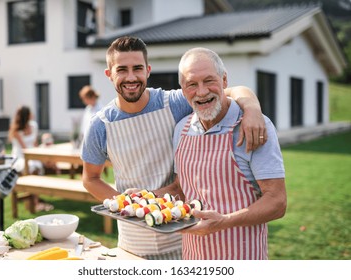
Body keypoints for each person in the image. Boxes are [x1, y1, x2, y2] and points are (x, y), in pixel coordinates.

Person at [81, 36, 267, 260]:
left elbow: (230, 90)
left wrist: (252, 108)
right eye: (122, 70)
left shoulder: (174, 103)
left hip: (185, 235)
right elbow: (90, 178)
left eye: (137, 68)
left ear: (148, 70)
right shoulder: (100, 125)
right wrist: (127, 206)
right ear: (109, 74)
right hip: (134, 242)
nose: (131, 77)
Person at [173, 47, 287, 260]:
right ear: (182, 89)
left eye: (209, 81)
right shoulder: (181, 129)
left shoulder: (254, 126)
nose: (202, 91)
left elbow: (277, 202)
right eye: (192, 84)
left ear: (225, 80)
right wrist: (141, 197)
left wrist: (224, 221)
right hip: (193, 257)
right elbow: (181, 188)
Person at [8, 106, 54, 211]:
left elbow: (35, 144)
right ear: (26, 115)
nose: (32, 114)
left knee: (39, 165)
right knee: (33, 167)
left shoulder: (34, 126)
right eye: (30, 113)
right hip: (20, 157)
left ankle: (34, 200)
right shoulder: (16, 130)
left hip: (32, 154)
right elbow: (24, 149)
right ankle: (35, 202)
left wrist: (41, 156)